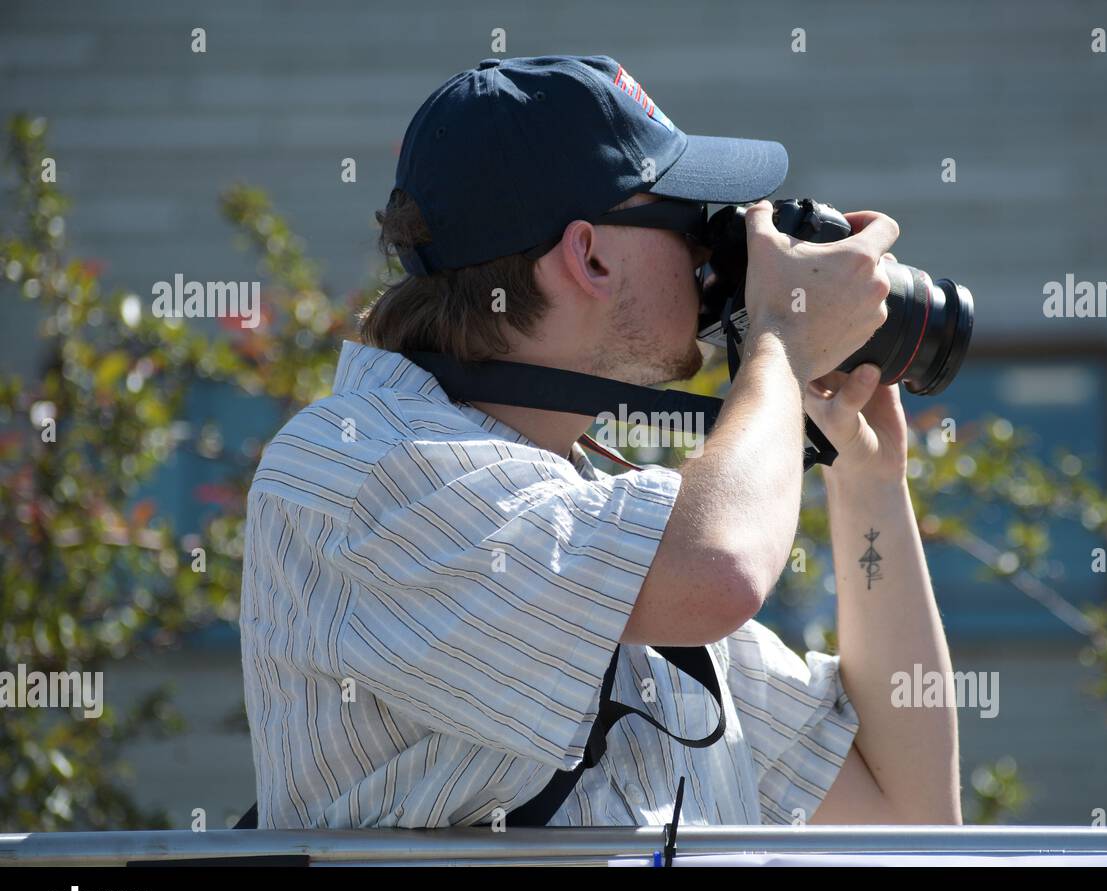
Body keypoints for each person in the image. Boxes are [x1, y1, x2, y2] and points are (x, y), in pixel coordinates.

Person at [239, 54, 961, 828]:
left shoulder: (594, 513)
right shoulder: (356, 467)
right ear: (588, 255)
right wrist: (780, 344)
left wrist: (869, 482)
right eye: (691, 222)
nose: (710, 256)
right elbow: (716, 575)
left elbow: (905, 812)